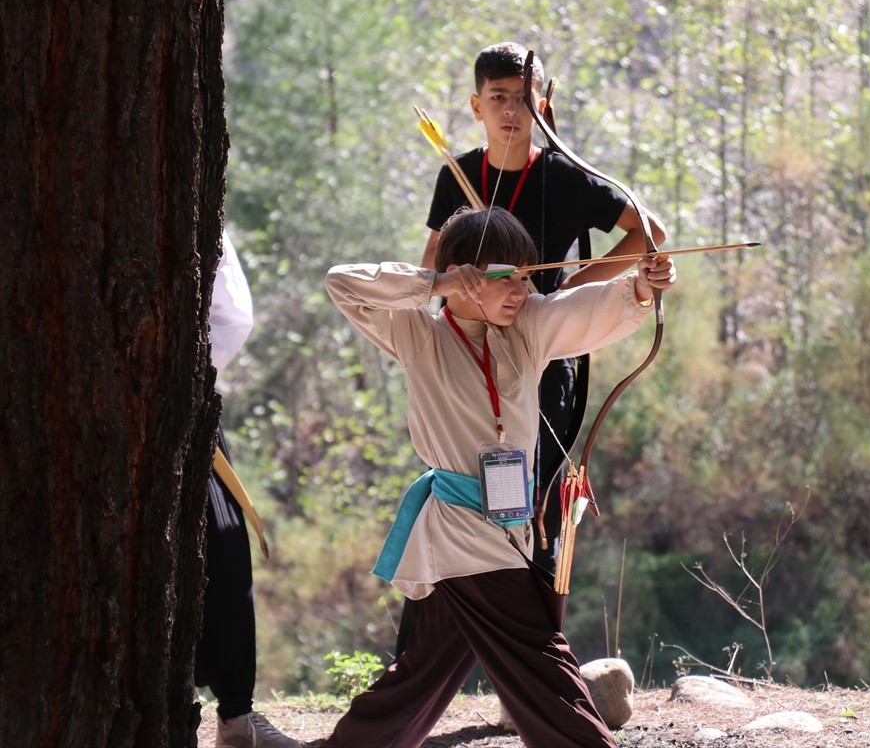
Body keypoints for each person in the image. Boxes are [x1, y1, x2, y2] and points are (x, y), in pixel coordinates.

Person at [317, 207, 676, 747]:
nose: (524, 291)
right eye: (510, 278)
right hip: (464, 529)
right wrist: (435, 281)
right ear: (464, 277)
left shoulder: (525, 326)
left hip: (511, 526)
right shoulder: (419, 333)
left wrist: (641, 289)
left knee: (424, 673)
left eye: (530, 277)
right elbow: (342, 283)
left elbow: (576, 308)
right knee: (542, 664)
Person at [419, 39, 668, 594]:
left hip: (541, 350)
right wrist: (456, 288)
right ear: (475, 105)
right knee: (463, 490)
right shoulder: (455, 173)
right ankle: (456, 629)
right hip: (469, 359)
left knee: (538, 500)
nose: (512, 111)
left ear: (544, 104)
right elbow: (430, 265)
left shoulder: (564, 175)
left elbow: (651, 231)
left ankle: (539, 634)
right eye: (498, 97)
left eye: (523, 99)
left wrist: (579, 282)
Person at [198, 231, 301, 748]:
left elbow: (231, 315)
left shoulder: (190, 201)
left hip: (178, 401)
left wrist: (180, 372)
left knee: (225, 552)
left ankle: (235, 718)